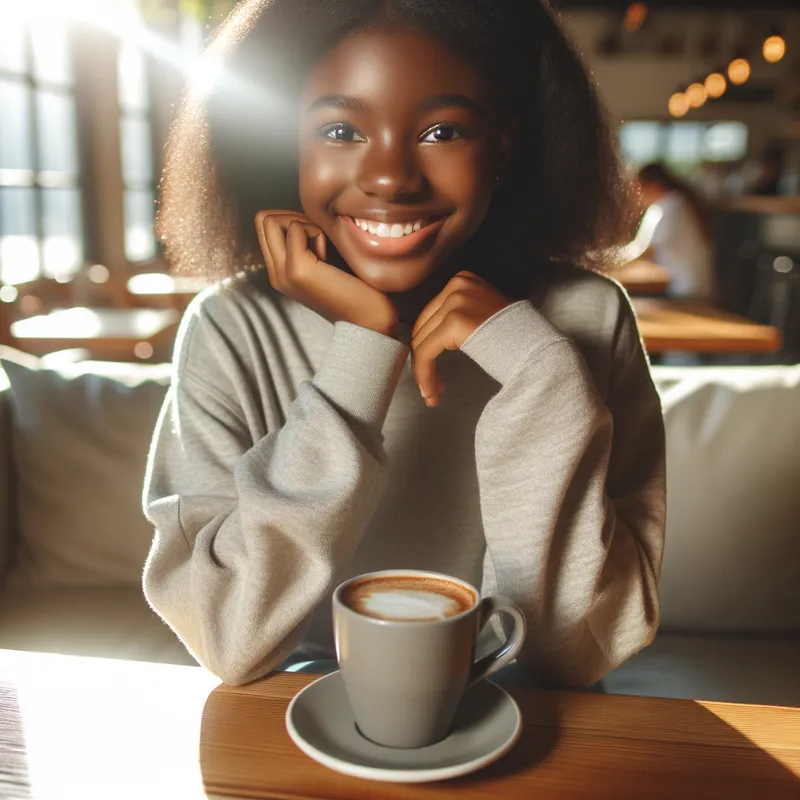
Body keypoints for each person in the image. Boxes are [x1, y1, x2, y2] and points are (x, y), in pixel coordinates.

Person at [143, 0, 666, 687]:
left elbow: (577, 655)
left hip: (526, 720)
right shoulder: (230, 329)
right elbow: (228, 637)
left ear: (503, 148)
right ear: (286, 145)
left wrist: (535, 366)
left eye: (443, 130)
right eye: (339, 129)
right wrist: (363, 348)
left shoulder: (589, 320)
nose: (391, 176)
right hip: (297, 724)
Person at [622, 162, 716, 301]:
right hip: (687, 287)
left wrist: (608, 261)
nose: (636, 195)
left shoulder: (670, 208)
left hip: (686, 291)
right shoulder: (674, 203)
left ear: (653, 184)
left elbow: (646, 251)